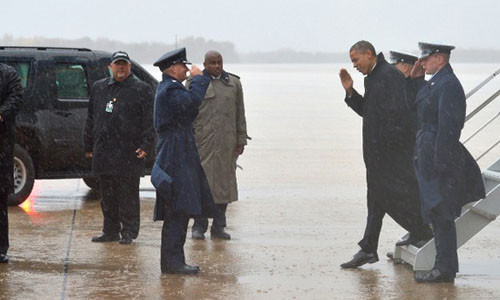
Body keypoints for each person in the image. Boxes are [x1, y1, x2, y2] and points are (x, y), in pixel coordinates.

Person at [338, 40, 432, 269]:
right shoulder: (374, 76)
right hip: (377, 157)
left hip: (390, 156)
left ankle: (421, 230)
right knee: (376, 201)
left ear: (369, 54)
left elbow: (401, 117)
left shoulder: (388, 76)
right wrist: (350, 92)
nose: (355, 66)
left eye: (356, 60)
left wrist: (388, 152)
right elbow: (369, 113)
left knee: (393, 197)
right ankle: (369, 248)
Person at [412, 42, 485, 283]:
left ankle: (445, 269)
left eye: (426, 59)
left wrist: (439, 162)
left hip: (437, 155)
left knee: (442, 213)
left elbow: (449, 127)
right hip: (428, 151)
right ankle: (442, 267)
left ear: (440, 59)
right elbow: (417, 110)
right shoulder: (435, 82)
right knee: (435, 212)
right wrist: (414, 81)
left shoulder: (449, 85)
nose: (422, 62)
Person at [151, 47, 216, 275]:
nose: (187, 69)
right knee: (176, 211)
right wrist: (198, 79)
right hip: (174, 154)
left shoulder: (170, 88)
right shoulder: (170, 90)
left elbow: (189, 110)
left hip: (178, 149)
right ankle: (172, 263)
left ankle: (174, 261)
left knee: (179, 210)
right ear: (172, 68)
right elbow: (192, 103)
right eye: (183, 66)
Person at [83, 51, 155, 245]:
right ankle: (110, 231)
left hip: (129, 152)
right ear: (111, 67)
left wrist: (146, 144)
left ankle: (129, 232)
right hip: (104, 151)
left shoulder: (142, 89)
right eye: (117, 64)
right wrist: (88, 144)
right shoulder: (99, 88)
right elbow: (91, 118)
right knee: (107, 195)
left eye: (124, 64)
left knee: (128, 195)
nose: (121, 67)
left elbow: (149, 121)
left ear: (129, 67)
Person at [189, 50, 248, 240]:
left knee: (224, 186)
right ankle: (199, 226)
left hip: (226, 144)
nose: (216, 66)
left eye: (219, 62)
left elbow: (240, 114)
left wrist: (241, 139)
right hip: (202, 144)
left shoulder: (233, 84)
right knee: (201, 186)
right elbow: (187, 113)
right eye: (212, 63)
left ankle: (219, 226)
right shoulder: (194, 83)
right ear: (205, 64)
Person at [0, 63, 23, 264]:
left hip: (2, 144)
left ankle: (0, 248)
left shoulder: (8, 74)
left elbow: (16, 98)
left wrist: (1, 113)